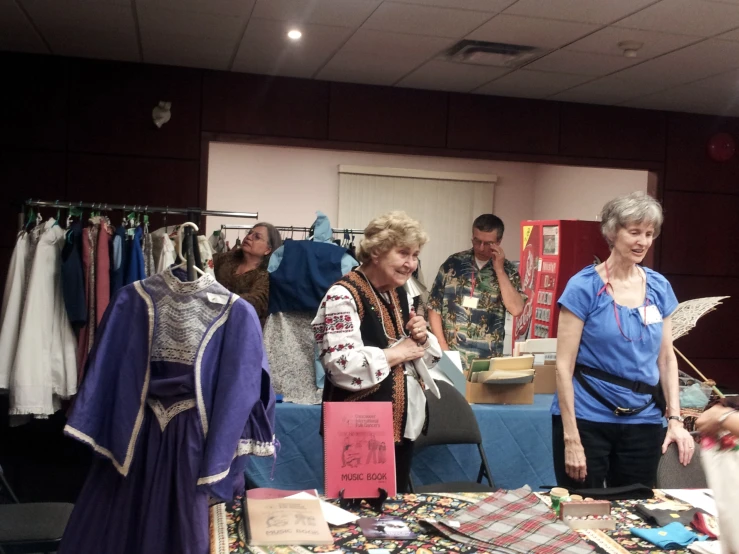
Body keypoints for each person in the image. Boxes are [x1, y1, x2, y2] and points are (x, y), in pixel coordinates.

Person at [552, 191, 694, 490]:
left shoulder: (658, 287)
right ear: (613, 233)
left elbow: (666, 358)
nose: (642, 241)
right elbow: (563, 367)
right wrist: (571, 437)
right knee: (584, 511)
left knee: (637, 511)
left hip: (643, 422)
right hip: (587, 418)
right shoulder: (583, 287)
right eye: (634, 232)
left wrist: (676, 420)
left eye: (649, 233)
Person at [313, 211, 442, 493]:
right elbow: (340, 366)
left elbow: (420, 356)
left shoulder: (399, 291)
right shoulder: (343, 295)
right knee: (360, 518)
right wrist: (400, 351)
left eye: (415, 255)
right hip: (357, 430)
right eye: (403, 253)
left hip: (399, 426)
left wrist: (421, 337)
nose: (411, 264)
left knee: (390, 519)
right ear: (377, 252)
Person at [428, 214, 525, 369]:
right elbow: (434, 307)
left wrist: (499, 270)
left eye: (488, 243)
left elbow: (516, 309)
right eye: (477, 241)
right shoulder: (454, 263)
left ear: (498, 242)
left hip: (488, 358)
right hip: (450, 354)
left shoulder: (508, 270)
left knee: (482, 394)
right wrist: (442, 346)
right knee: (454, 393)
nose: (480, 248)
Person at [213, 222, 281, 326]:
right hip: (214, 322)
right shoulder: (227, 258)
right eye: (249, 233)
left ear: (267, 250)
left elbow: (257, 302)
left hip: (244, 328)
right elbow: (204, 263)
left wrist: (221, 298)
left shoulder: (267, 274)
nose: (249, 237)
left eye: (257, 237)